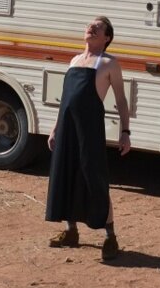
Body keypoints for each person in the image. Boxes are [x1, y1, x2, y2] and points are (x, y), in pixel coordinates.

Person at [45, 16, 131, 261]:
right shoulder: (74, 61)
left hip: (89, 130)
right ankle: (71, 232)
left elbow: (122, 100)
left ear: (107, 38)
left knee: (95, 179)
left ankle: (110, 237)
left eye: (98, 27)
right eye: (90, 25)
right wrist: (55, 129)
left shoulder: (108, 63)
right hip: (68, 129)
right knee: (67, 175)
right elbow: (66, 101)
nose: (91, 28)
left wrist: (125, 132)